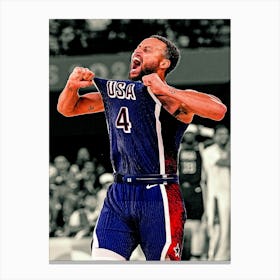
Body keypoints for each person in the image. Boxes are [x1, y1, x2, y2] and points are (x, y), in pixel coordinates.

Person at [57, 35, 227, 261]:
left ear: (164, 63)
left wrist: (165, 90)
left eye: (146, 49)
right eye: (137, 47)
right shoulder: (119, 95)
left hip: (159, 193)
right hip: (119, 193)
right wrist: (71, 86)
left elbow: (218, 110)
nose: (137, 52)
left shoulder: (173, 100)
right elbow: (68, 109)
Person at [201, 124, 230, 261]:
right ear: (214, 136)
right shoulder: (209, 151)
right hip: (217, 196)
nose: (224, 137)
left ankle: (227, 256)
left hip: (230, 195)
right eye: (220, 134)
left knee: (230, 228)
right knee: (218, 228)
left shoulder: (230, 149)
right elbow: (225, 162)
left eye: (226, 134)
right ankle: (214, 258)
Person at [178, 127, 207, 260]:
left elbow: (213, 138)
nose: (189, 136)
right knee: (178, 223)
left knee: (196, 224)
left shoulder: (200, 148)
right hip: (181, 189)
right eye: (187, 133)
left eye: (192, 133)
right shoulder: (177, 147)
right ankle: (179, 253)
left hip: (195, 189)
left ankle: (195, 255)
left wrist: (201, 130)